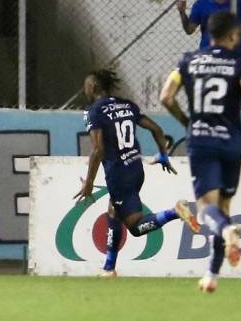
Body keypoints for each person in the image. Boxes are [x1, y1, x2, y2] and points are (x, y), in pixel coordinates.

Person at [160, 11, 241, 293]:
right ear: (232, 35)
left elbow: (166, 96)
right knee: (224, 208)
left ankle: (227, 232)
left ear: (209, 34)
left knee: (208, 210)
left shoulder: (188, 62)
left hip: (201, 139)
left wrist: (186, 122)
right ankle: (212, 274)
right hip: (232, 142)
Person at [74, 70, 199, 277]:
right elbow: (157, 130)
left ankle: (175, 212)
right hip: (135, 169)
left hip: (118, 176)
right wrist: (163, 155)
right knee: (114, 212)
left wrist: (89, 182)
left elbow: (98, 149)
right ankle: (109, 268)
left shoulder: (93, 111)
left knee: (135, 227)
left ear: (94, 87)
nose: (85, 89)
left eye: (86, 85)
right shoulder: (126, 105)